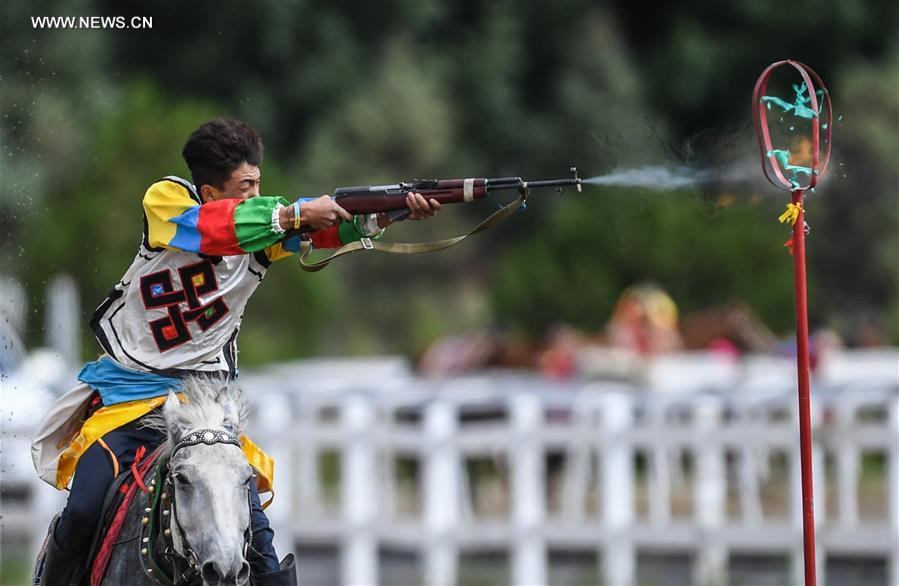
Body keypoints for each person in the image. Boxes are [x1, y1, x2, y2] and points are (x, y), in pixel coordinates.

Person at [32, 118, 441, 585]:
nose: (258, 197)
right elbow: (213, 230)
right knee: (83, 509)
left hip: (202, 409)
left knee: (260, 545)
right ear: (209, 192)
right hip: (127, 406)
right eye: (245, 187)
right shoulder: (166, 200)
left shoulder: (263, 231)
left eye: (258, 185)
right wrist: (292, 214)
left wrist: (387, 215)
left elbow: (323, 234)